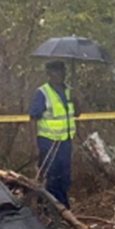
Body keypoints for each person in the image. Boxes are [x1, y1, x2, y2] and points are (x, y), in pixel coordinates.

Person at [29, 60, 75, 207]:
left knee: (65, 176)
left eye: (62, 71)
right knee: (51, 177)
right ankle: (55, 207)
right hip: (49, 141)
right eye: (56, 71)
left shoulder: (69, 91)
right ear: (48, 73)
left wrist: (76, 100)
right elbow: (33, 118)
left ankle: (59, 205)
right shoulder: (42, 93)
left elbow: (78, 113)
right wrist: (34, 144)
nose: (60, 74)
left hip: (65, 141)